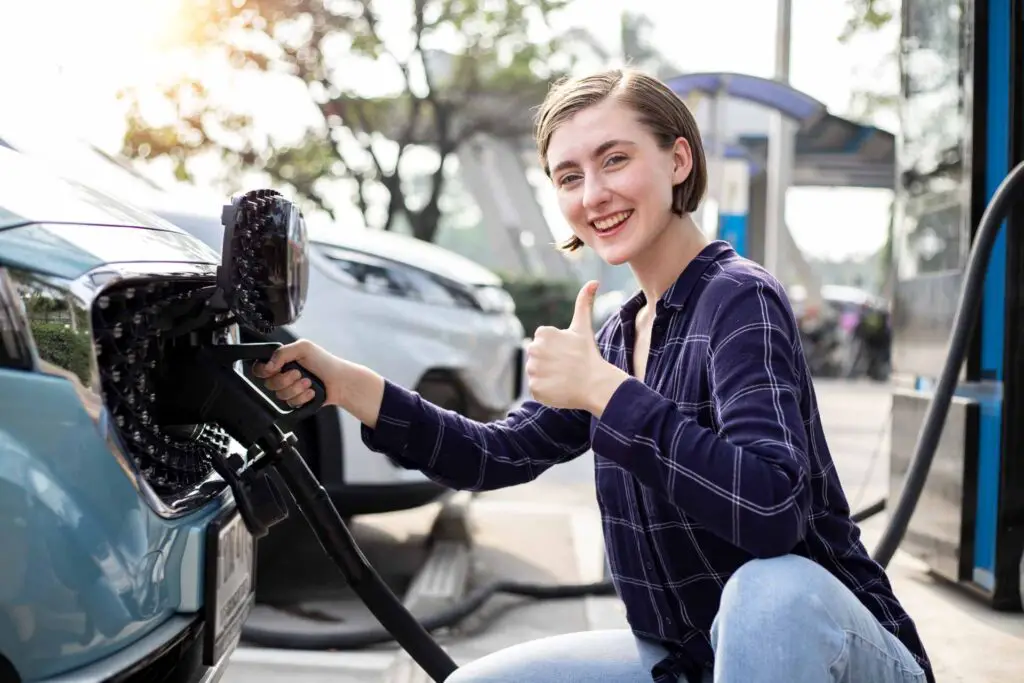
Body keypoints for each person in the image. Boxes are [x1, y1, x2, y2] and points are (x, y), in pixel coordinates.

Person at [253, 68, 933, 683]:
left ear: (677, 159)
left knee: (770, 590)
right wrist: (345, 383)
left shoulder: (740, 297)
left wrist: (606, 392)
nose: (594, 193)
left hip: (834, 654)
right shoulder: (613, 334)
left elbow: (771, 512)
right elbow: (492, 453)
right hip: (689, 659)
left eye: (615, 160)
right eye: (568, 175)